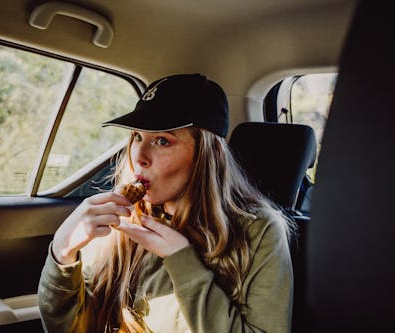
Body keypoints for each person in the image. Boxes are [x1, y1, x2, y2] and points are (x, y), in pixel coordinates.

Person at [38, 73, 294, 333]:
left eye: (162, 141)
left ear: (207, 155)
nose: (139, 156)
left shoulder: (259, 232)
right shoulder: (119, 219)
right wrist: (63, 253)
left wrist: (183, 262)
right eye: (137, 136)